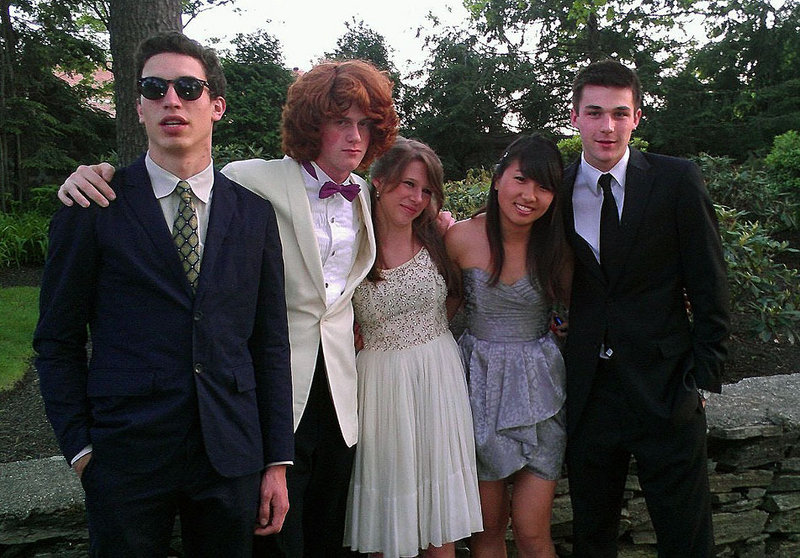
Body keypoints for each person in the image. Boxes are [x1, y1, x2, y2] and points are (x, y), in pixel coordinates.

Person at [57, 58, 399, 557]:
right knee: (277, 540)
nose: (355, 136)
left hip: (341, 391)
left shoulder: (363, 195)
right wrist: (93, 174)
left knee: (330, 530)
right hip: (266, 392)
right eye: (341, 121)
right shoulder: (251, 181)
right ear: (311, 123)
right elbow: (182, 173)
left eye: (366, 125)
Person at [34, 31, 293, 557]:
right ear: (138, 107)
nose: (171, 100)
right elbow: (56, 341)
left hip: (230, 454)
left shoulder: (254, 215)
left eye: (187, 88)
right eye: (155, 88)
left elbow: (269, 344)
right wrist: (81, 449)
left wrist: (276, 462)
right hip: (126, 457)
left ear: (215, 106)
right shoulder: (93, 206)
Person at [563, 58, 730, 557]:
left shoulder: (677, 180)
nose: (607, 126)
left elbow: (710, 283)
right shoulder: (557, 188)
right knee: (593, 536)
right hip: (589, 395)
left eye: (620, 113)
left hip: (665, 388)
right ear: (575, 117)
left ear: (637, 118)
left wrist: (703, 377)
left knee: (685, 535)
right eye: (595, 113)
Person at [344, 138, 483, 557]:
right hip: (381, 387)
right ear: (379, 181)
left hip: (438, 377)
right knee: (388, 523)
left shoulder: (439, 237)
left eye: (425, 190)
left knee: (440, 528)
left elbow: (455, 295)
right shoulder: (350, 244)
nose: (417, 198)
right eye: (408, 185)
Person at [445, 135, 572, 557]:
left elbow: (585, 312)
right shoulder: (460, 237)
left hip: (541, 389)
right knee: (487, 532)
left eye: (544, 187)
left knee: (534, 530)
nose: (529, 196)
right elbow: (438, 308)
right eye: (520, 180)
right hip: (478, 388)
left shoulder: (558, 247)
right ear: (498, 179)